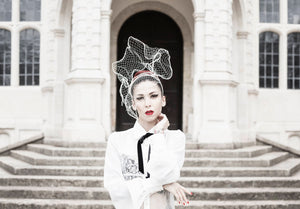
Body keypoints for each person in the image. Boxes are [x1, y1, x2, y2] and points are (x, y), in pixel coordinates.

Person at [104, 36, 192, 209]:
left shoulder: (176, 138)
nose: (147, 103)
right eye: (140, 98)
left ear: (163, 100)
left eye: (153, 96)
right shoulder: (117, 141)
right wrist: (161, 185)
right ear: (133, 103)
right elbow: (116, 189)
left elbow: (167, 173)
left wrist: (158, 133)